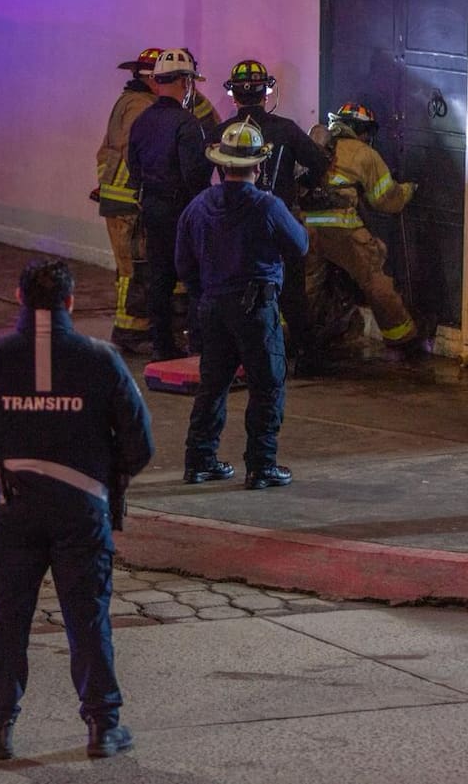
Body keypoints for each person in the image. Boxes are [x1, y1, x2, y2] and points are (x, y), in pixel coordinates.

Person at [0, 259, 154, 760]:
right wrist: (104, 474)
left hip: (10, 508)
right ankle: (103, 727)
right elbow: (139, 443)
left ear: (18, 299)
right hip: (82, 510)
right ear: (70, 302)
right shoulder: (101, 360)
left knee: (8, 617)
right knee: (88, 616)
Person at [176, 120, 308, 490]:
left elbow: (183, 263)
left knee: (212, 385)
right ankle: (261, 466)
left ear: (221, 165)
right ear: (259, 165)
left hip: (212, 307)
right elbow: (300, 245)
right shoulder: (267, 206)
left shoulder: (198, 206)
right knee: (266, 386)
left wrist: (205, 292)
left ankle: (199, 461)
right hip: (256, 309)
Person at [215, 60, 329, 375]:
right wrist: (301, 185)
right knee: (292, 293)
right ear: (267, 93)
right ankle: (307, 356)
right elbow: (319, 162)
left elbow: (198, 169)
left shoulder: (223, 132)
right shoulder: (287, 129)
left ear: (234, 96)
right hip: (279, 222)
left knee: (235, 291)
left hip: (234, 227)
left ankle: (240, 354)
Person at [302, 102, 423, 358]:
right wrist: (408, 190)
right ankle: (403, 338)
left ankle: (293, 337)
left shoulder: (315, 145)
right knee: (374, 278)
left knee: (306, 283)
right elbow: (385, 199)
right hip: (341, 229)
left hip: (304, 226)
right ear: (361, 130)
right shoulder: (364, 154)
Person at [126, 47, 213, 361]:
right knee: (196, 279)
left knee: (160, 279)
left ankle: (162, 346)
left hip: (152, 208)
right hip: (183, 211)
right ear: (184, 82)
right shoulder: (187, 124)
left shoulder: (141, 121)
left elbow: (133, 167)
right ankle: (199, 346)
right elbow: (195, 174)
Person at [95, 48, 161, 355]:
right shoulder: (140, 106)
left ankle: (133, 328)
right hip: (128, 201)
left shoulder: (131, 101)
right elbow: (138, 149)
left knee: (129, 266)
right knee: (133, 268)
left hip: (120, 199)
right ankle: (130, 331)